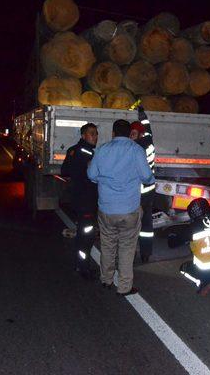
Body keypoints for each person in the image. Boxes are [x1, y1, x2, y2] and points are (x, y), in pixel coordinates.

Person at [87, 119, 155, 296]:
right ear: (129, 133)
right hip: (129, 209)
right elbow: (148, 177)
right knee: (127, 248)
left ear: (113, 133)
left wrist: (103, 179)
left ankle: (106, 280)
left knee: (107, 244)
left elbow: (92, 174)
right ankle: (124, 287)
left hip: (106, 209)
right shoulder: (136, 150)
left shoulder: (102, 150)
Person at [168, 198, 210, 296]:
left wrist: (171, 235)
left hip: (205, 269)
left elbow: (172, 244)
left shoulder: (192, 228)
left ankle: (202, 283)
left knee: (183, 268)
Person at [60, 123, 99, 279]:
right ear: (83, 135)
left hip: (77, 199)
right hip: (87, 201)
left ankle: (79, 264)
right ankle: (83, 268)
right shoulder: (88, 153)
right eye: (91, 134)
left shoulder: (72, 150)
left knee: (82, 234)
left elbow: (64, 171)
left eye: (96, 134)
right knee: (86, 236)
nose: (95, 136)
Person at [129, 105, 156, 263]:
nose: (131, 136)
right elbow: (148, 127)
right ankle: (146, 253)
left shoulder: (137, 147)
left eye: (133, 133)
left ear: (139, 134)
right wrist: (142, 114)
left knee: (134, 224)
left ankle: (132, 254)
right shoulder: (149, 140)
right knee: (146, 224)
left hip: (138, 193)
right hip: (148, 191)